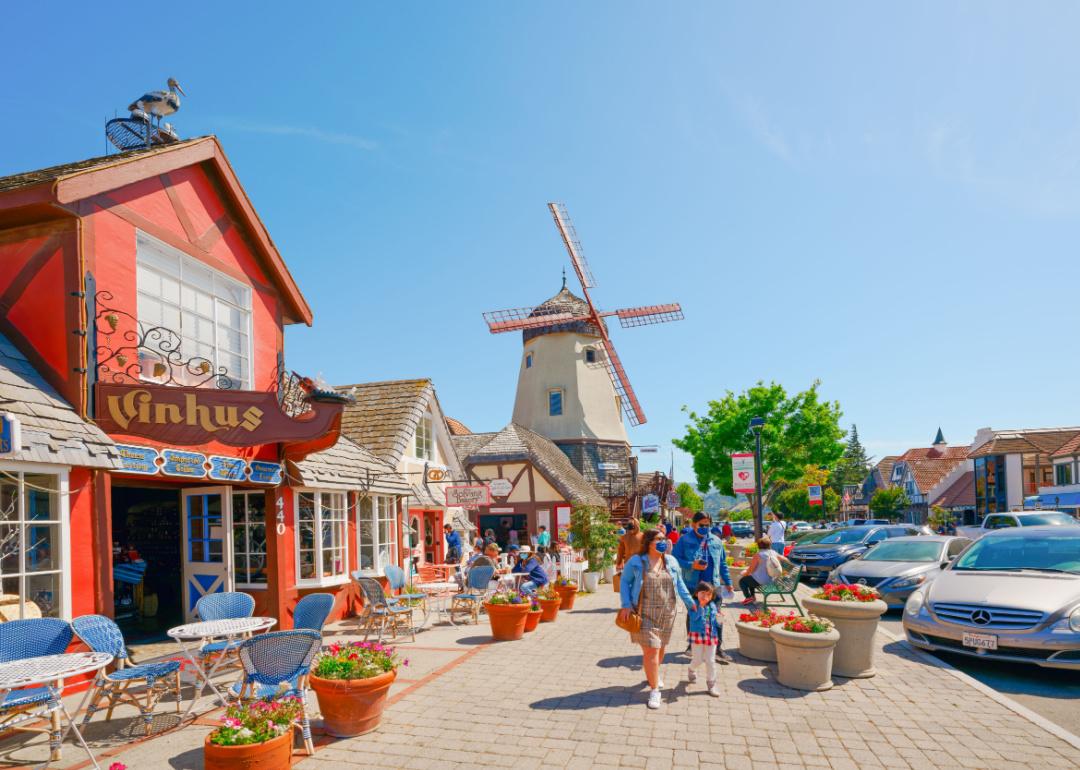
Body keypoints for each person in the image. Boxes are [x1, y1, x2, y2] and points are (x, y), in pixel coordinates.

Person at [618, 528, 695, 710]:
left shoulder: (671, 561)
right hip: (644, 612)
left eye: (664, 538)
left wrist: (691, 603)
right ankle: (654, 690)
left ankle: (654, 673)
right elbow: (624, 581)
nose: (663, 542)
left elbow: (681, 584)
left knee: (661, 649)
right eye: (659, 539)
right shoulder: (637, 561)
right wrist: (626, 604)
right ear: (649, 542)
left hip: (668, 612)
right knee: (651, 651)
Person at [672, 512, 734, 664]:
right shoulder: (684, 540)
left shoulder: (717, 541)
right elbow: (674, 559)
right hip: (694, 586)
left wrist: (728, 582)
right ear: (694, 524)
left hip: (714, 586)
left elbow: (723, 564)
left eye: (707, 525)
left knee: (716, 616)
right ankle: (693, 646)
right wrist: (691, 565)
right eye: (702, 525)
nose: (705, 527)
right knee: (694, 615)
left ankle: (718, 648)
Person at [686, 582, 722, 697]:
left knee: (710, 661)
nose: (705, 596)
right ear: (697, 594)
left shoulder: (712, 606)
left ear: (712, 596)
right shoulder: (693, 605)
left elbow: (716, 623)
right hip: (697, 635)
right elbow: (693, 618)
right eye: (702, 593)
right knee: (698, 659)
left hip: (711, 636)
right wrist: (700, 607)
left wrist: (719, 619)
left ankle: (711, 684)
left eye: (708, 594)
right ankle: (691, 669)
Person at [739, 536, 784, 605]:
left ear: (759, 545)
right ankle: (752, 597)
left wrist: (744, 573)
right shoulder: (773, 552)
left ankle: (748, 597)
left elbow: (751, 570)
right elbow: (783, 558)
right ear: (769, 545)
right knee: (750, 578)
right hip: (770, 579)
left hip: (761, 581)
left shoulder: (758, 555)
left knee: (742, 581)